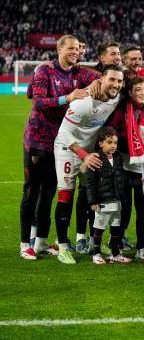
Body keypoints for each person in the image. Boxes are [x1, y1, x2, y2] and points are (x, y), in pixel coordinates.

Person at [21, 34, 98, 260]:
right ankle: (25, 244)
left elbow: (104, 77)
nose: (76, 52)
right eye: (71, 48)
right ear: (59, 49)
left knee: (48, 193)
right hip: (37, 141)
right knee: (31, 192)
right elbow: (37, 102)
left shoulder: (79, 72)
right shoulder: (44, 70)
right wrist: (68, 97)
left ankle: (42, 242)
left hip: (59, 142)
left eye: (78, 48)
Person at [51, 66, 124, 264]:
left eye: (119, 81)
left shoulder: (116, 97)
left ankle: (92, 242)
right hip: (68, 149)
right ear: (102, 80)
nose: (116, 84)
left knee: (90, 195)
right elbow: (63, 132)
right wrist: (83, 155)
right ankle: (63, 247)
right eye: (112, 80)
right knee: (66, 195)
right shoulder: (83, 103)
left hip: (90, 152)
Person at [105, 76, 144, 260]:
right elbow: (111, 134)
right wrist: (132, 141)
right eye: (138, 90)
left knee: (143, 210)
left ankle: (143, 246)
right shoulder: (122, 111)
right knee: (123, 209)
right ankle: (115, 245)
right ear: (130, 93)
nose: (143, 93)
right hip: (124, 168)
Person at [84, 127, 131, 264]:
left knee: (116, 228)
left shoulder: (118, 158)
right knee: (99, 228)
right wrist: (93, 201)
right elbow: (90, 182)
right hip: (103, 202)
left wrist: (136, 181)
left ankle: (115, 253)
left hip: (117, 202)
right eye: (109, 142)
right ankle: (96, 254)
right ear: (100, 143)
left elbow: (121, 177)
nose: (113, 146)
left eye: (115, 143)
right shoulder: (95, 159)